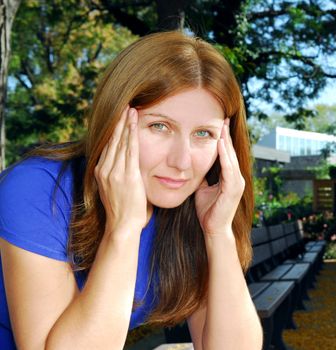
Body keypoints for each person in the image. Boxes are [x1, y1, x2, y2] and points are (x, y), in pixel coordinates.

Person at [0, 31, 263, 349]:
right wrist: (123, 229)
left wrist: (218, 234)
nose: (181, 162)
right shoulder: (39, 189)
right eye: (159, 126)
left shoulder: (194, 208)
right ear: (114, 120)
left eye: (204, 133)